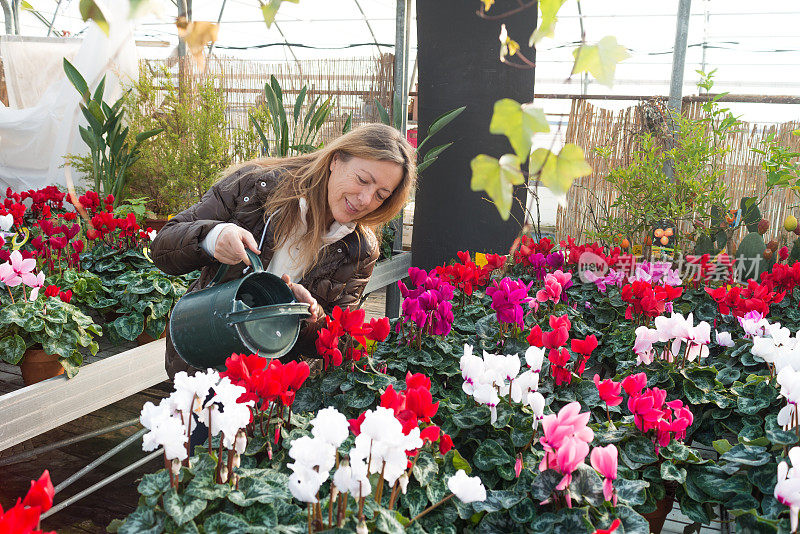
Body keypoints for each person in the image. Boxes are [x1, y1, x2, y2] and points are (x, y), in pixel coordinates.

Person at [151, 123, 416, 378]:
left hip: (275, 386)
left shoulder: (358, 249)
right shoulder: (255, 188)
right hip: (206, 359)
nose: (365, 200)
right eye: (362, 179)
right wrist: (213, 237)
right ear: (335, 161)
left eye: (381, 195)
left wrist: (310, 315)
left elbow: (339, 339)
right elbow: (163, 247)